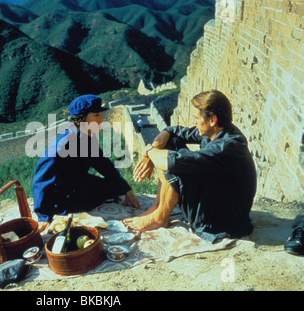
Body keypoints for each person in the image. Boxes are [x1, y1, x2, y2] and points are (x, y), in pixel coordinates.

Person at [124, 90, 257, 243]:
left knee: (176, 165)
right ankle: (157, 207)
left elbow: (169, 161)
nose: (194, 122)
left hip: (223, 222)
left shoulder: (226, 146)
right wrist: (153, 150)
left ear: (212, 120)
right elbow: (172, 131)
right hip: (218, 195)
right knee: (171, 143)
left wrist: (148, 151)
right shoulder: (216, 131)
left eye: (197, 118)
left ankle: (160, 217)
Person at [33, 94, 140, 232]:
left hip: (78, 182)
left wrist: (126, 188)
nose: (102, 119)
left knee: (114, 188)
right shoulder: (64, 144)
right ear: (82, 119)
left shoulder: (87, 138)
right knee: (88, 202)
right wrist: (43, 216)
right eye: (96, 115)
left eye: (100, 114)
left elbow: (103, 164)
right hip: (62, 195)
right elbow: (41, 180)